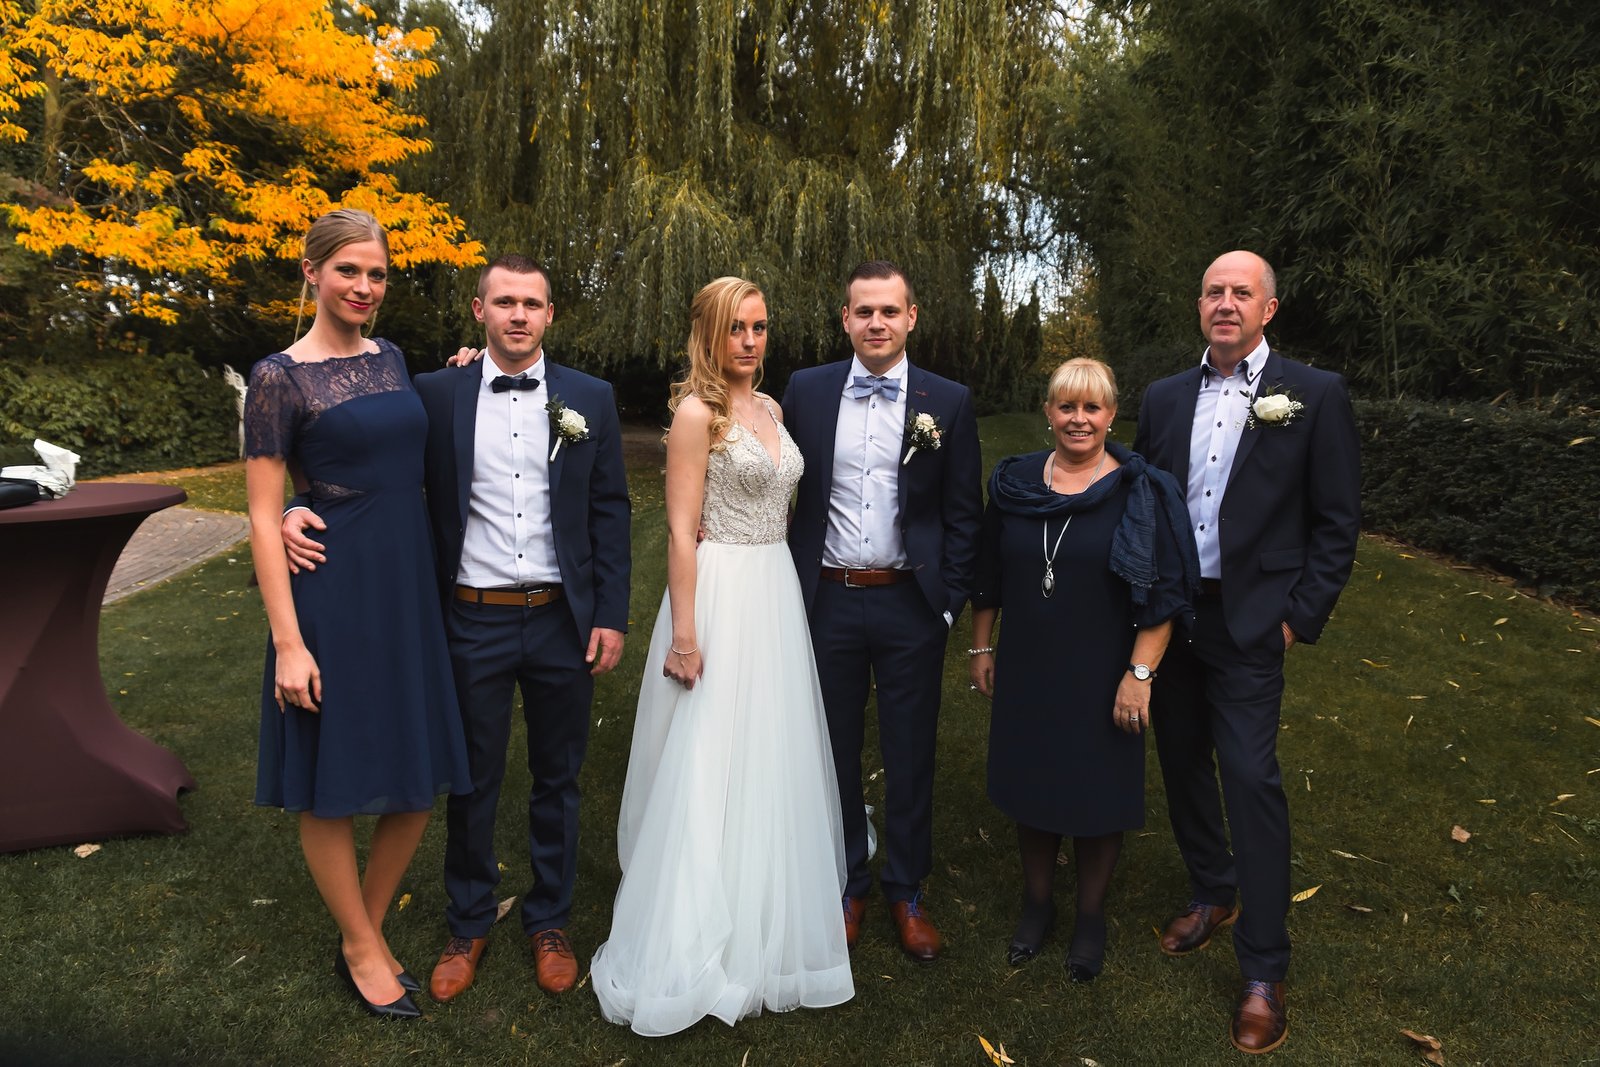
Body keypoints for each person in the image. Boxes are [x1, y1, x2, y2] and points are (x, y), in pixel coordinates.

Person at [282, 254, 632, 1002]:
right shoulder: (434, 394)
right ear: (479, 311)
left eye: (531, 303)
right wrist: (291, 505)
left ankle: (549, 919)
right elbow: (353, 448)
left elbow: (610, 510)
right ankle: (468, 922)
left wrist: (609, 613)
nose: (517, 315)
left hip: (562, 619)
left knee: (557, 777)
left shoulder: (592, 400)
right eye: (503, 301)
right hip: (469, 617)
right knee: (469, 779)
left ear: (549, 314)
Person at [590, 277, 854, 1036]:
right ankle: (690, 939)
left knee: (767, 755)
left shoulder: (771, 410)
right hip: (719, 592)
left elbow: (786, 498)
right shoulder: (693, 415)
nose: (750, 340)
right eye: (736, 327)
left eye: (761, 327)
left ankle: (763, 930)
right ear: (709, 332)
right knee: (708, 758)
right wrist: (684, 632)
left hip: (773, 591)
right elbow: (679, 530)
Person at [245, 208, 471, 1020]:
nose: (364, 288)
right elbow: (262, 512)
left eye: (376, 274)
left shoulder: (395, 357)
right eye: (349, 271)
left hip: (406, 582)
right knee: (330, 779)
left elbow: (405, 438)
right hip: (331, 589)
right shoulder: (279, 376)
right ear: (312, 272)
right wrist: (288, 643)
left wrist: (469, 369)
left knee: (416, 776)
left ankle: (362, 932)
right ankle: (362, 943)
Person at [1134, 250, 1360, 1054]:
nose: (1225, 303)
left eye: (1242, 292)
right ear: (1199, 307)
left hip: (1254, 619)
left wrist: (1297, 617)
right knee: (1182, 753)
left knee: (1251, 775)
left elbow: (1336, 523)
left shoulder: (1313, 394)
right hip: (1174, 614)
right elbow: (1143, 502)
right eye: (1214, 292)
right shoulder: (1164, 397)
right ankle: (1211, 887)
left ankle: (1264, 968)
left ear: (1269, 309)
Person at [968, 358, 1196, 981]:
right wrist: (982, 647)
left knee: (1097, 794)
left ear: (1110, 415)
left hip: (1105, 668)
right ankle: (1037, 905)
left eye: (1092, 408)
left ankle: (1090, 917)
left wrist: (1139, 675)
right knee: (1033, 786)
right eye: (1067, 406)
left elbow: (1163, 593)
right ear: (1048, 412)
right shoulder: (1014, 483)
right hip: (1030, 665)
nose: (1078, 419)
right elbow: (988, 571)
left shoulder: (1139, 490)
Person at [781, 261, 983, 961]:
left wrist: (948, 607)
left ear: (911, 317)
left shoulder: (946, 401)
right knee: (829, 748)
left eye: (888, 312)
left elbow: (964, 513)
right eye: (863, 311)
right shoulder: (805, 391)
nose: (876, 323)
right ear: (845, 319)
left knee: (910, 752)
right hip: (827, 599)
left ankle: (906, 887)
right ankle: (845, 883)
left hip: (910, 603)